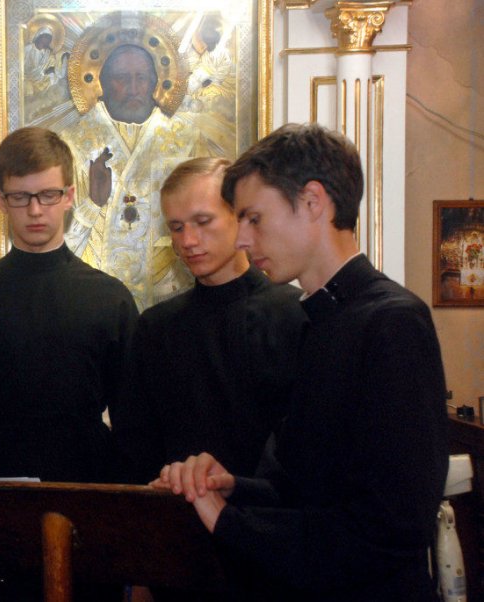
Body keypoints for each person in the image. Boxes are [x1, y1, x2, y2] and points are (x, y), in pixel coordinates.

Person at [151, 123, 449, 601]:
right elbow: (308, 490)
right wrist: (232, 488)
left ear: (312, 201)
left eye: (254, 218)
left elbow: (390, 530)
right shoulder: (322, 318)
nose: (242, 239)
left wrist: (229, 523)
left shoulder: (392, 321)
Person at [0, 126, 136, 600]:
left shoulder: (110, 298)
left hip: (91, 506)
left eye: (47, 195)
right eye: (20, 197)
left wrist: (130, 537)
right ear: (0, 201)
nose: (36, 211)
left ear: (69, 195)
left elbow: (134, 426)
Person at [115, 157, 305, 487]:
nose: (188, 240)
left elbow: (305, 442)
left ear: (239, 217)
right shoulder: (155, 329)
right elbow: (136, 446)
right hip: (174, 510)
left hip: (272, 512)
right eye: (177, 227)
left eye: (202, 222)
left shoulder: (296, 315)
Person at [62, 39, 234, 309]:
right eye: (121, 78)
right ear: (101, 84)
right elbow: (58, 242)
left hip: (171, 292)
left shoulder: (185, 138)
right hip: (95, 297)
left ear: (155, 82)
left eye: (141, 78)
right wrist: (93, 204)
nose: (133, 88)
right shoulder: (74, 142)